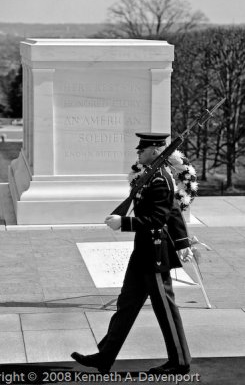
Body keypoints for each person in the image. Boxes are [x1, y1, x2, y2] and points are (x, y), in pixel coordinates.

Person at [71, 132, 193, 375]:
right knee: (126, 305)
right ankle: (104, 358)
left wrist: (124, 223)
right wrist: (182, 242)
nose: (138, 152)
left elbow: (159, 217)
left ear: (156, 151)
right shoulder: (150, 176)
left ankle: (180, 361)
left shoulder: (160, 179)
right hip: (143, 253)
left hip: (155, 254)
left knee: (165, 309)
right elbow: (174, 211)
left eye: (143, 149)